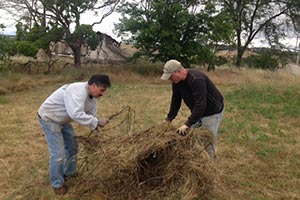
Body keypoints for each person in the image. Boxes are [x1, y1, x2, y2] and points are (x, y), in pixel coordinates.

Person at [37, 74, 111, 195]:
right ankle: (57, 184)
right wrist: (97, 121)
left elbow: (91, 114)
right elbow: (76, 114)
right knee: (58, 153)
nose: (103, 93)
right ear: (93, 85)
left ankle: (70, 173)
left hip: (63, 120)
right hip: (49, 118)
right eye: (102, 90)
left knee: (72, 146)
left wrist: (96, 126)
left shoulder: (93, 97)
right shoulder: (77, 91)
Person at [161, 59, 224, 160]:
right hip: (199, 111)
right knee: (191, 137)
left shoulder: (196, 79)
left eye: (170, 76)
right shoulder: (176, 82)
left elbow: (201, 105)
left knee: (207, 141)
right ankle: (197, 160)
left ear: (178, 72)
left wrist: (187, 124)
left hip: (212, 112)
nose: (169, 79)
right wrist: (169, 119)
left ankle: (210, 167)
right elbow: (175, 101)